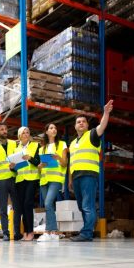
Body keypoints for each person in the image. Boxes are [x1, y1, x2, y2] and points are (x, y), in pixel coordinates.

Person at [68, 100, 114, 242]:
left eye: (83, 121)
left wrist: (105, 113)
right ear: (75, 126)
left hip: (89, 175)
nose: (81, 123)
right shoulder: (72, 143)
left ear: (87, 125)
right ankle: (86, 232)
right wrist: (70, 180)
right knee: (82, 206)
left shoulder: (92, 135)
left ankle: (87, 233)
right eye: (78, 122)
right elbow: (71, 162)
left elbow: (102, 126)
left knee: (87, 206)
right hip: (76, 177)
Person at [37, 123, 68, 242]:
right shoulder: (42, 149)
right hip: (44, 179)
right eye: (51, 128)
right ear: (46, 132)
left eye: (55, 128)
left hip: (56, 179)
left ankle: (50, 231)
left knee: (49, 203)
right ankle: (52, 234)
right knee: (47, 205)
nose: (54, 129)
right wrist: (40, 166)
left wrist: (58, 158)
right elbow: (41, 166)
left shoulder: (62, 144)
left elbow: (65, 163)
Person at [0, 122, 18, 241]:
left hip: (14, 178)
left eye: (5, 129)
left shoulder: (13, 143)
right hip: (1, 180)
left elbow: (18, 159)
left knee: (17, 207)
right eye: (2, 129)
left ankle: (16, 232)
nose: (5, 131)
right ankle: (5, 232)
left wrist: (15, 168)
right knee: (2, 208)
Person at [13, 127, 41, 241]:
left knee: (28, 204)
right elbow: (16, 168)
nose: (25, 134)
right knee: (22, 206)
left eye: (27, 132)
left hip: (32, 178)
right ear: (19, 136)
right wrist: (12, 168)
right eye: (23, 133)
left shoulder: (35, 146)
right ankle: (25, 231)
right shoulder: (16, 149)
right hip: (20, 180)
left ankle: (30, 231)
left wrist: (30, 158)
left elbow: (39, 162)